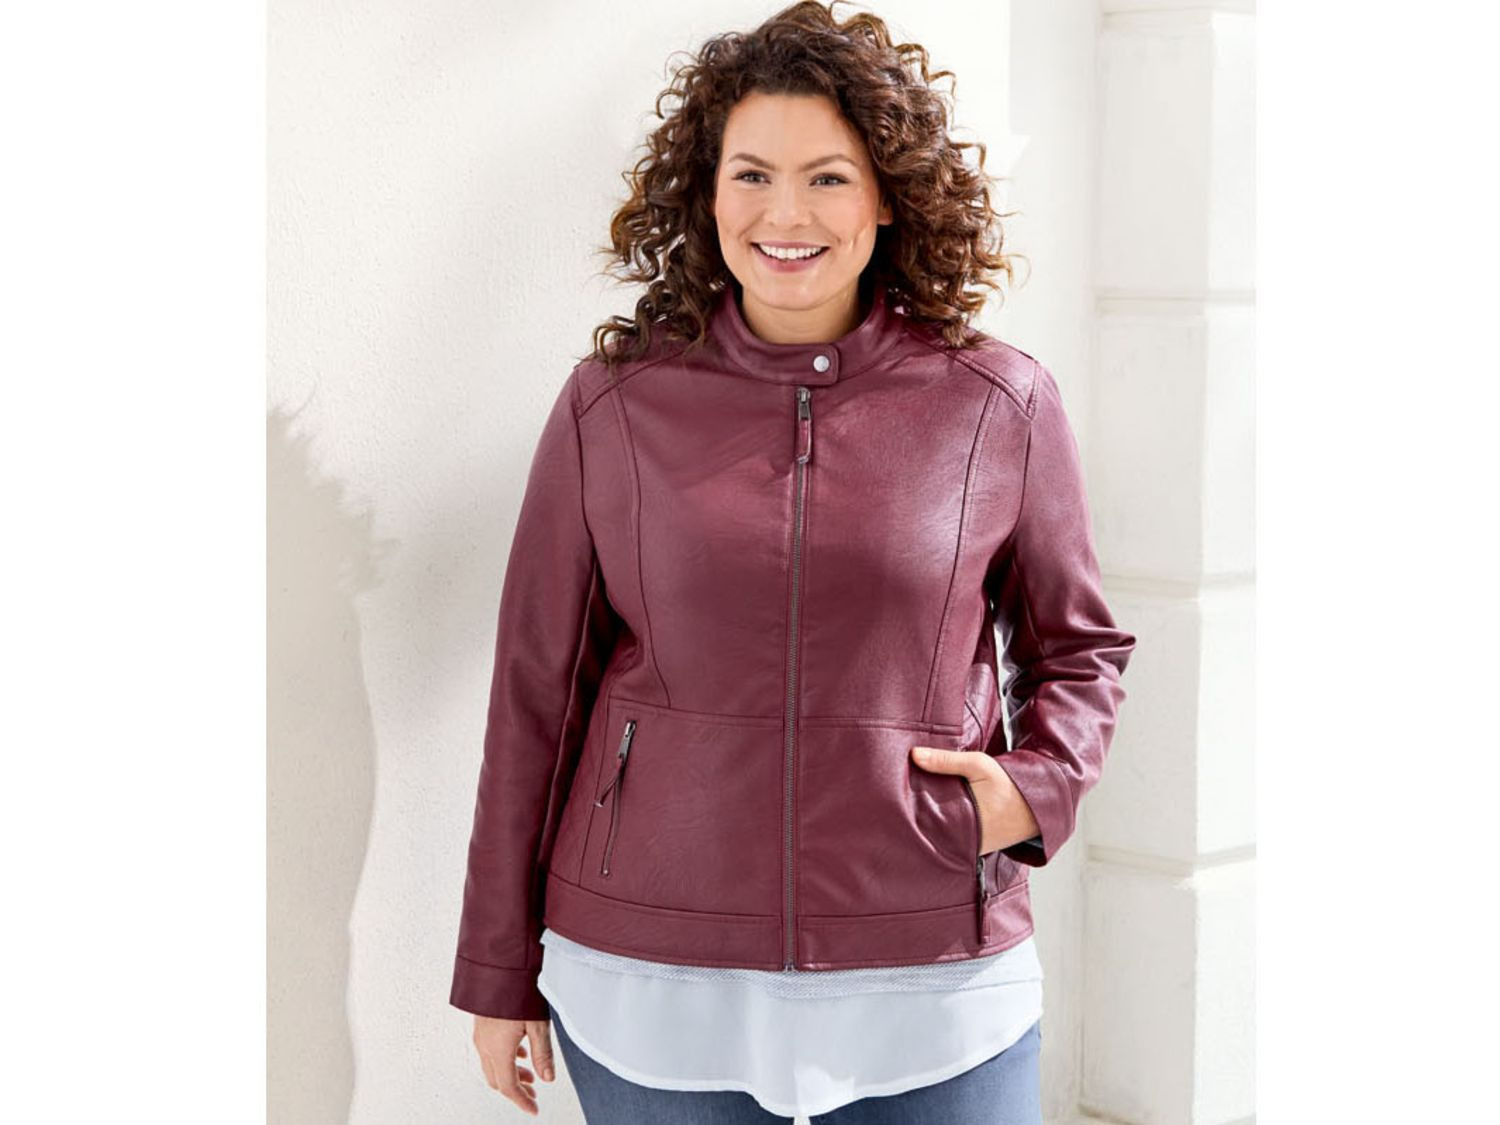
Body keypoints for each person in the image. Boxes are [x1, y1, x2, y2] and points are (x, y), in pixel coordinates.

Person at [449, 2, 1136, 1121]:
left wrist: (1032, 791)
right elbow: (535, 693)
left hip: (932, 966)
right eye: (753, 175)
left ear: (886, 195)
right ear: (707, 193)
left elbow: (1079, 648)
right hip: (648, 974)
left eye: (827, 178)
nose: (786, 213)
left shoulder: (996, 403)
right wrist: (495, 965)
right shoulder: (614, 406)